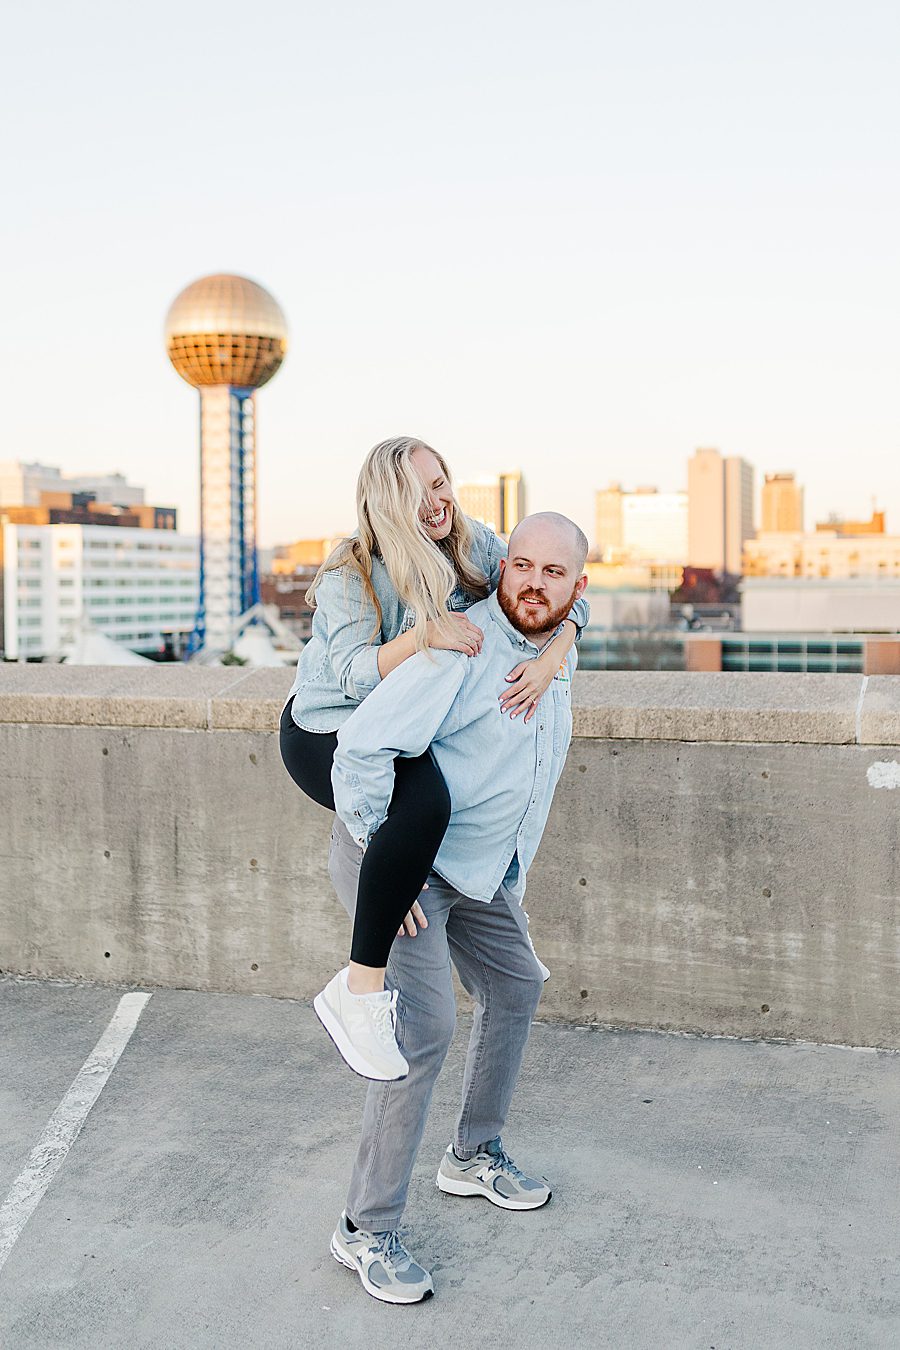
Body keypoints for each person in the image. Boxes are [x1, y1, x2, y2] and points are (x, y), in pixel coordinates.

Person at [322, 511, 588, 1305]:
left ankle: (472, 1154)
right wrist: (382, 867)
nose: (533, 583)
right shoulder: (461, 649)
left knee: (517, 985)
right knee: (425, 1027)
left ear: (578, 588)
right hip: (404, 867)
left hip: (478, 871)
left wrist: (510, 871)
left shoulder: (558, 647)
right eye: (523, 566)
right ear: (502, 567)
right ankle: (364, 1229)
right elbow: (362, 748)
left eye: (554, 573)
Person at [280, 438, 588, 1082]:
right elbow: (348, 675)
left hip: (396, 717)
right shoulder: (352, 575)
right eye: (416, 492)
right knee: (422, 801)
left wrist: (552, 658)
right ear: (385, 506)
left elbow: (555, 587)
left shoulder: (472, 543)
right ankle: (358, 990)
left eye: (441, 482)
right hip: (324, 726)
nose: (436, 501)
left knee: (430, 797)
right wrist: (426, 634)